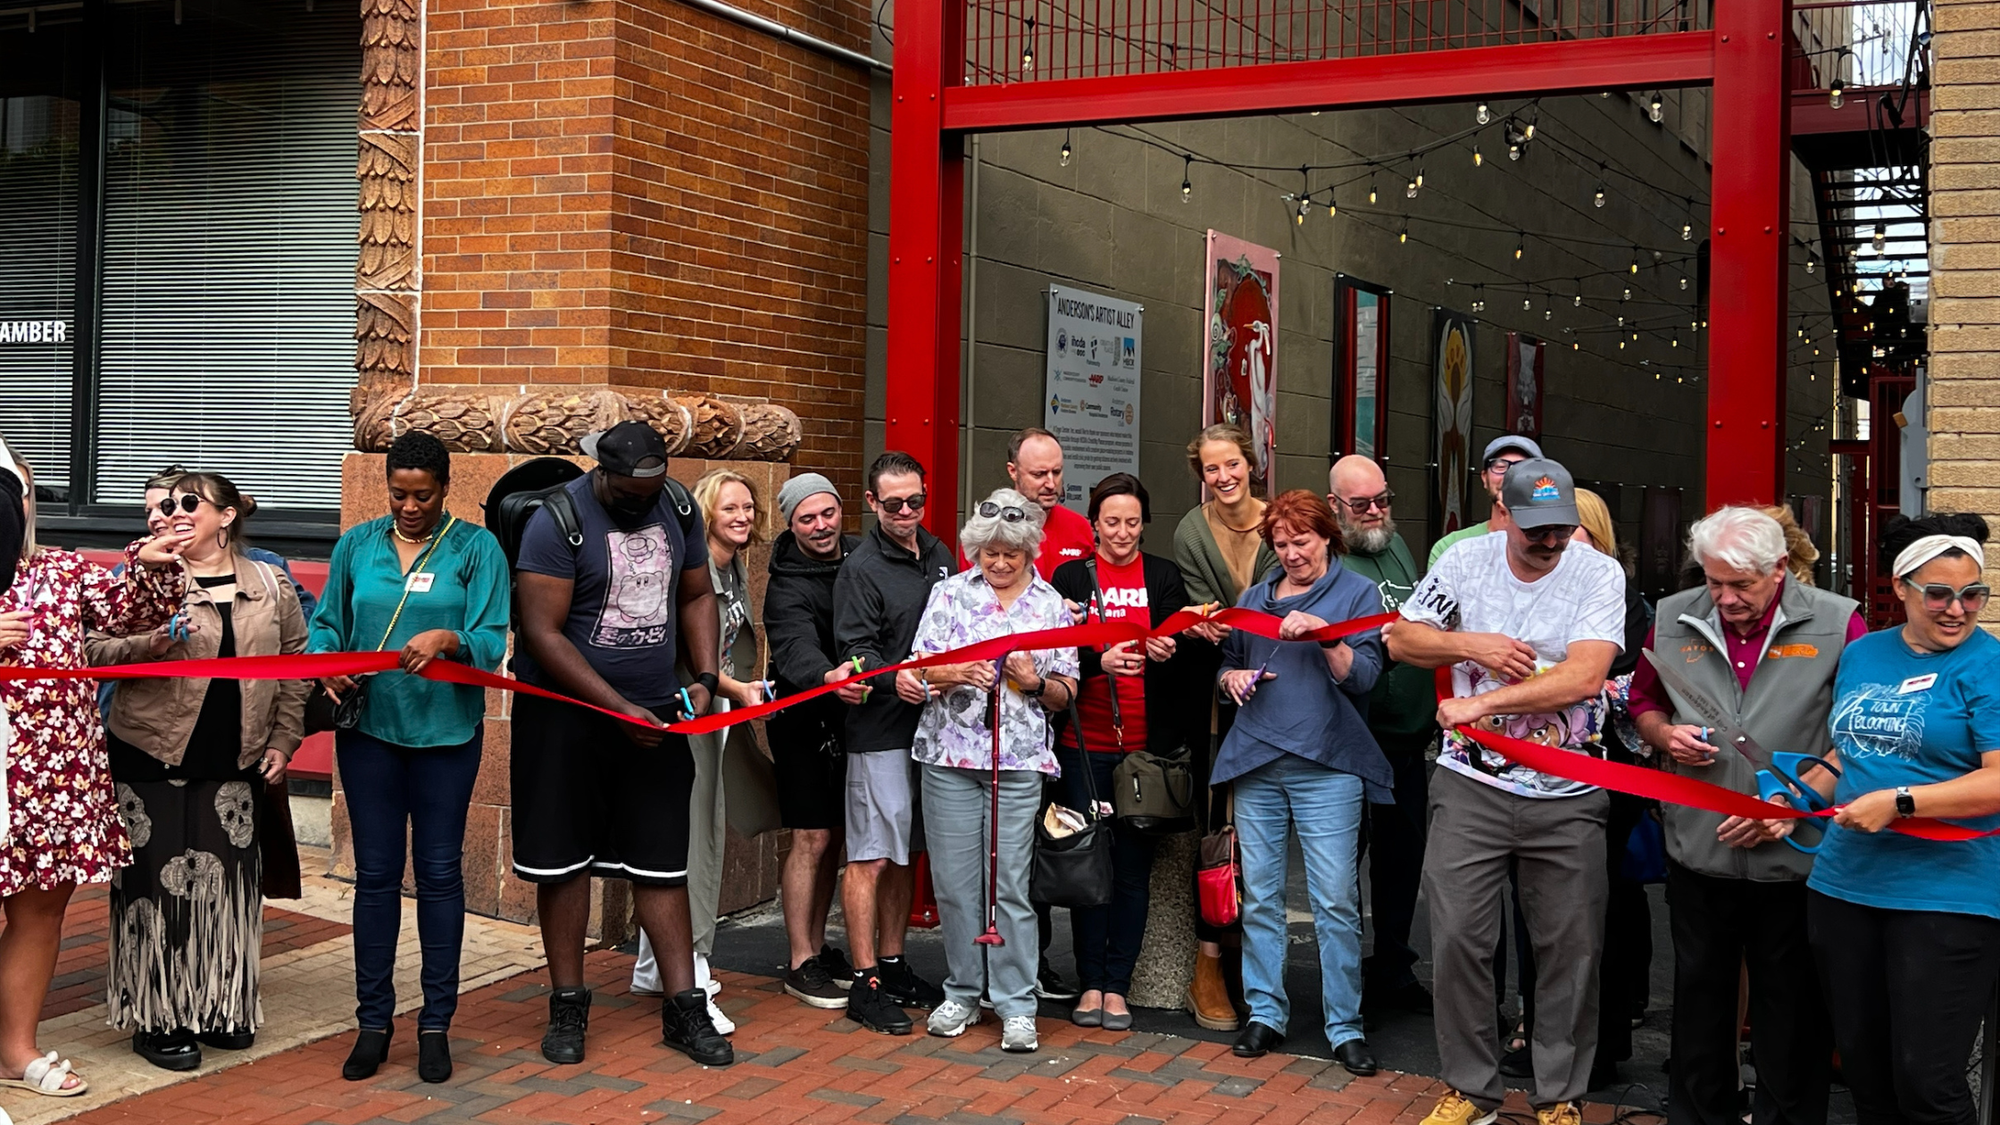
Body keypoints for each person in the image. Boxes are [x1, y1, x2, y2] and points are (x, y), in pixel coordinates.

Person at [1389, 457, 1626, 1125]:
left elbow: (1585, 674)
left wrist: (1482, 701)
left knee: (1569, 946)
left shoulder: (1597, 572)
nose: (1550, 542)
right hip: (1471, 784)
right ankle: (1470, 1086)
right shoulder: (1466, 563)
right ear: (1506, 515)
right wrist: (1475, 645)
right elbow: (1403, 637)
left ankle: (1560, 1095)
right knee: (1460, 935)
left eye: (1560, 529)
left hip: (1570, 788)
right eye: (1536, 531)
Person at [1628, 505, 1860, 1125]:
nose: (1725, 598)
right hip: (1699, 848)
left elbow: (1857, 737)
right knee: (1699, 1005)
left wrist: (1794, 802)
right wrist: (1664, 735)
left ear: (1780, 567)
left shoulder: (1841, 623)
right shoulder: (1674, 616)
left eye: (1742, 584)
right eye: (1714, 582)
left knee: (1793, 1013)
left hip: (1795, 857)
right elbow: (1642, 701)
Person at [509, 420, 730, 1067]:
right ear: (601, 474)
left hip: (653, 715)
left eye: (654, 489)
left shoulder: (679, 506)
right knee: (565, 861)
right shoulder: (557, 520)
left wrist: (708, 675)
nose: (644, 502)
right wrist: (617, 707)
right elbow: (543, 634)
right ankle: (568, 1003)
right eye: (632, 493)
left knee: (662, 859)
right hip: (567, 719)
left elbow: (695, 593)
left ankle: (684, 1008)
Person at [88, 473, 308, 1071]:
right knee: (154, 891)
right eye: (161, 506)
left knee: (226, 890)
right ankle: (159, 1016)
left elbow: (296, 662)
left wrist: (285, 740)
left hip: (235, 757)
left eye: (188, 504)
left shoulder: (269, 580)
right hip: (149, 753)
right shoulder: (139, 575)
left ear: (227, 516)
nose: (170, 514)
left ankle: (219, 1004)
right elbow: (91, 650)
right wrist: (157, 640)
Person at [309, 432, 510, 1084]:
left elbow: (491, 638)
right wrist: (328, 665)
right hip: (370, 732)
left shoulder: (476, 549)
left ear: (445, 487)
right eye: (398, 492)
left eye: (422, 494)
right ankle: (373, 1021)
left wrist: (451, 636)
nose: (410, 505)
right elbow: (327, 626)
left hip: (446, 736)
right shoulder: (357, 546)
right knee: (374, 875)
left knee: (440, 873)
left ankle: (435, 1023)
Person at [1801, 513, 2000, 1125]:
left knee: (1926, 1079)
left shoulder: (1988, 664)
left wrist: (1902, 802)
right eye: (1939, 593)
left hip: (1947, 895)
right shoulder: (1864, 653)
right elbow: (1848, 752)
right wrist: (1789, 802)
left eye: (1973, 594)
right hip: (1845, 885)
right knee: (1864, 1070)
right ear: (1901, 589)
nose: (1957, 609)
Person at [0, 450, 185, 1100]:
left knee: (41, 908)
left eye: (15, 490)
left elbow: (129, 609)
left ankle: (15, 1047)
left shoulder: (60, 571)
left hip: (54, 780)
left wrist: (152, 568)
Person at [1210, 490, 1389, 1074]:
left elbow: (1363, 678)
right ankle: (1265, 1012)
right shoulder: (1253, 599)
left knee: (1334, 900)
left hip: (1329, 766)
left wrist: (1327, 635)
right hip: (1258, 763)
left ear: (1328, 536)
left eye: (1302, 540)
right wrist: (1231, 676)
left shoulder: (1357, 593)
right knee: (1260, 897)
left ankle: (1345, 1025)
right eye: (1281, 544)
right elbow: (1225, 666)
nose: (1292, 553)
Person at [898, 488, 1077, 1053]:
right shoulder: (949, 595)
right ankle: (963, 990)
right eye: (988, 553)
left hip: (1018, 765)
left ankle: (1017, 1003)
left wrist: (1031, 681)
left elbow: (1066, 692)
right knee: (954, 886)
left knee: (1010, 887)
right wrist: (952, 674)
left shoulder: (1050, 606)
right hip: (950, 758)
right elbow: (916, 674)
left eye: (1011, 554)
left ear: (1030, 553)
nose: (998, 564)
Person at [628, 469, 773, 1035]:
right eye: (730, 508)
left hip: (720, 719)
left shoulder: (733, 567)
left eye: (749, 509)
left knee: (699, 834)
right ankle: (690, 968)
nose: (742, 517)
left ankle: (651, 966)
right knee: (696, 840)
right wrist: (734, 689)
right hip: (689, 719)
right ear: (705, 512)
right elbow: (690, 657)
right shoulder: (693, 569)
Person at [1048, 473, 1192, 1031]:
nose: (1123, 533)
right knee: (1089, 867)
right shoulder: (1070, 576)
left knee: (1132, 872)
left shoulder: (1162, 575)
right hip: (1082, 745)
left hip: (1142, 754)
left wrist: (1167, 650)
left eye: (1133, 522)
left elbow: (1183, 658)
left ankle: (1117, 986)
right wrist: (1095, 664)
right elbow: (1052, 653)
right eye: (1112, 522)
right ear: (1094, 523)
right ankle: (1088, 983)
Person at [830, 451, 957, 1034]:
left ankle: (894, 962)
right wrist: (891, 676)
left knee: (908, 851)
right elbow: (854, 651)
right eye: (894, 504)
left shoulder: (939, 555)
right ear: (872, 503)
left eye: (917, 501)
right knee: (872, 854)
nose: (907, 513)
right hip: (879, 731)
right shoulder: (859, 568)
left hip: (933, 730)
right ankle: (864, 982)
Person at [1171, 423, 1278, 1032]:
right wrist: (1201, 621)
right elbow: (1200, 607)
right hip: (1219, 700)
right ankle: (1208, 965)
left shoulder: (1277, 519)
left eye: (1232, 463)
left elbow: (1286, 593)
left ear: (1249, 463)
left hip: (1280, 695)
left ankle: (1249, 963)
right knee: (1219, 828)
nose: (1224, 476)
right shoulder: (1192, 529)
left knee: (1263, 838)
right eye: (1212, 468)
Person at [986, 426, 1097, 1003]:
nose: (1050, 483)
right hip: (999, 716)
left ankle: (1052, 964)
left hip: (1058, 697)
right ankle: (1011, 969)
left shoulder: (1080, 529)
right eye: (1038, 474)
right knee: (1008, 853)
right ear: (1013, 473)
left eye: (1057, 472)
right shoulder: (992, 525)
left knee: (1054, 843)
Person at [1328, 455, 1437, 1022]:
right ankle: (1343, 986)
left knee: (1402, 864)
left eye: (1382, 499)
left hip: (1406, 740)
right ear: (1334, 507)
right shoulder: (1329, 556)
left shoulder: (1394, 546)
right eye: (1361, 504)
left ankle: (1393, 968)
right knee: (1342, 868)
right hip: (1352, 740)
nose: (1375, 512)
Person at [1568, 489, 1657, 1089]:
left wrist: (1574, 685)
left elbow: (1640, 684)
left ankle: (1601, 1044)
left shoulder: (1625, 601)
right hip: (1554, 770)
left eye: (1566, 531)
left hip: (1611, 771)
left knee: (1602, 904)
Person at [763, 473, 860, 1009]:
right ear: (791, 523)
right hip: (802, 717)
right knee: (812, 838)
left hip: (850, 716)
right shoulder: (785, 580)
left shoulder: (862, 555)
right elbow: (794, 647)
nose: (821, 526)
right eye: (807, 518)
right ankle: (801, 960)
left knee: (838, 836)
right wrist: (829, 677)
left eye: (828, 513)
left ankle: (819, 945)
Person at [1429, 435, 1544, 568]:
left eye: (1522, 468)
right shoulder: (1451, 547)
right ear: (1484, 478)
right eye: (1500, 467)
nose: (1509, 476)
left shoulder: (1553, 546)